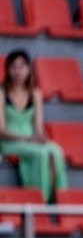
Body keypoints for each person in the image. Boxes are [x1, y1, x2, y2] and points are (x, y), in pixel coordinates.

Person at [0, 50, 67, 203]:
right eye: (13, 67)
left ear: (28, 69)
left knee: (56, 151)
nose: (18, 71)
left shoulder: (35, 93)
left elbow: (38, 125)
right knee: (41, 154)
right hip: (10, 141)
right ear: (8, 70)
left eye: (21, 67)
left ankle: (57, 200)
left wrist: (40, 137)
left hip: (30, 139)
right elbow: (1, 129)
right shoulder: (2, 93)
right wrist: (27, 138)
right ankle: (39, 200)